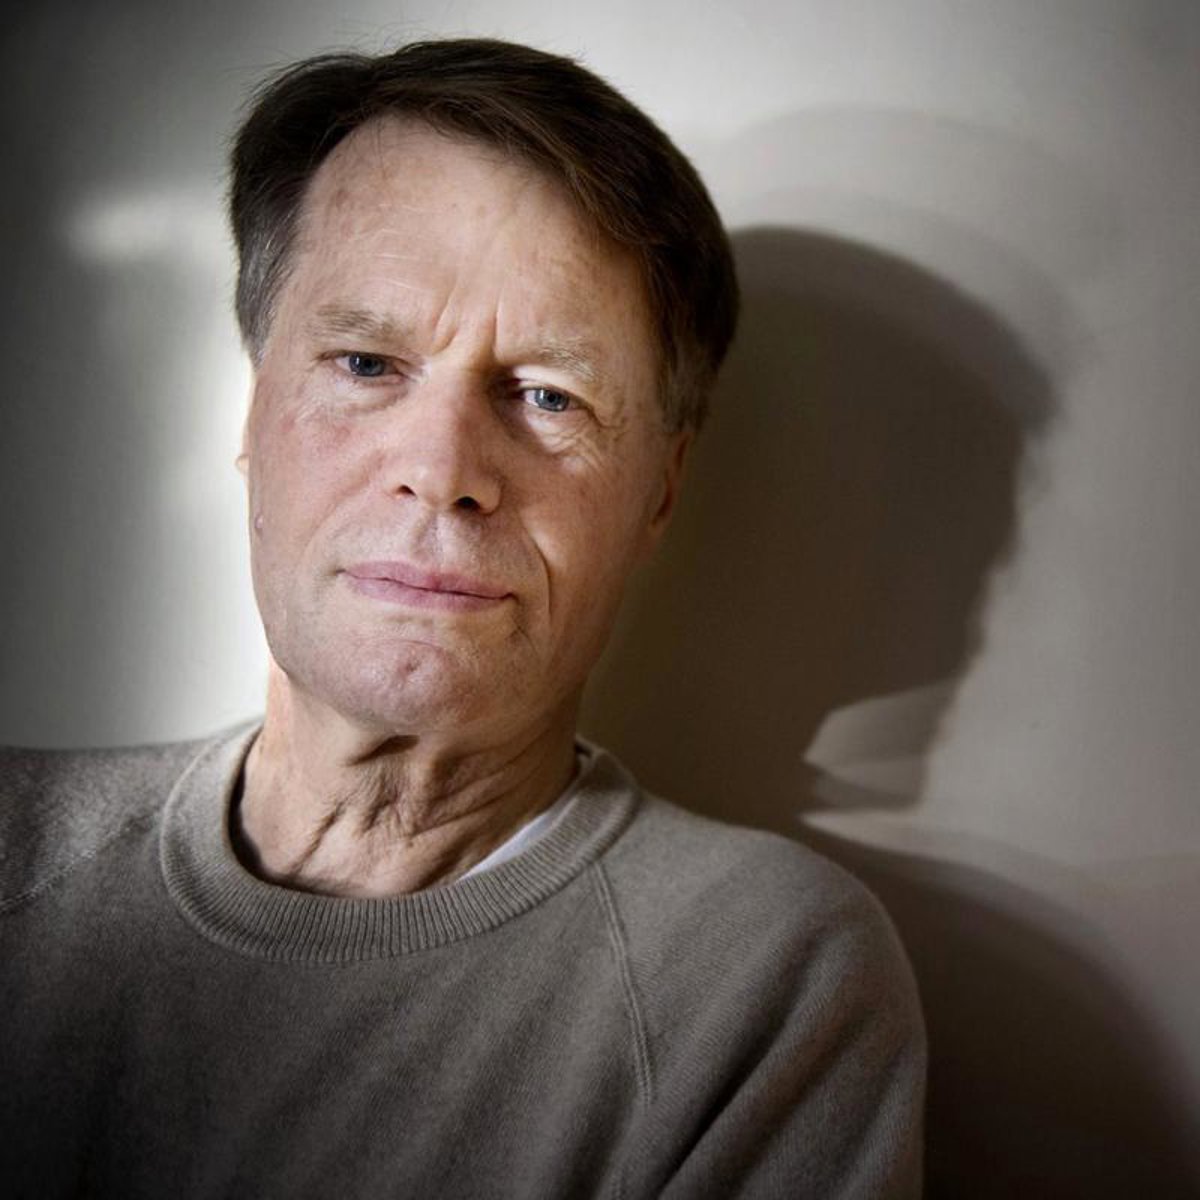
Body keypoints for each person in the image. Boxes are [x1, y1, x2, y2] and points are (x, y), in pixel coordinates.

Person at [0, 38, 924, 1198]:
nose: (442, 472)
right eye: (366, 364)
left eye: (547, 395)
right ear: (253, 413)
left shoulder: (755, 980)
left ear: (660, 491)